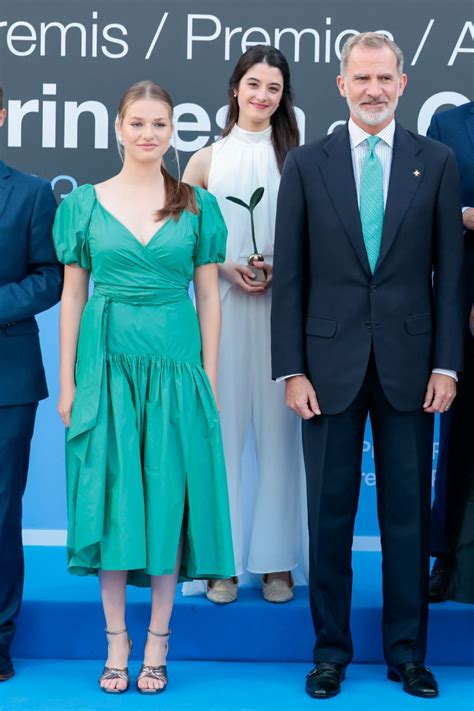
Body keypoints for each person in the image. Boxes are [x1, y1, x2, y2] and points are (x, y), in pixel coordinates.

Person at [271, 33, 465, 700]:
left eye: (386, 77)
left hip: (413, 368)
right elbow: (290, 276)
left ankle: (408, 653)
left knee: (407, 520)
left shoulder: (435, 161)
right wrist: (290, 369)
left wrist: (448, 364)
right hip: (324, 369)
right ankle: (329, 652)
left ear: (404, 84)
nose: (375, 88)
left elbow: (452, 273)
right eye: (363, 77)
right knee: (327, 516)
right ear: (341, 83)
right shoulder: (306, 163)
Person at [53, 80, 234, 694]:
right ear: (118, 128)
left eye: (160, 123)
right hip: (106, 368)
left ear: (172, 130)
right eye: (138, 122)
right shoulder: (82, 203)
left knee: (165, 502)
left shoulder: (196, 205)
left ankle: (158, 642)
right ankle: (116, 643)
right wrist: (70, 381)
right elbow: (72, 293)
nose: (149, 134)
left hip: (177, 369)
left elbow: (208, 295)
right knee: (113, 500)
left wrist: (209, 375)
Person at [183, 45, 304, 604]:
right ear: (235, 88)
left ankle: (277, 561)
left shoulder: (300, 157)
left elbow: (317, 237)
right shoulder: (205, 160)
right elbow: (183, 245)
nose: (262, 96)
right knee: (222, 437)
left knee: (282, 440)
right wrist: (223, 270)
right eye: (253, 84)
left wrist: (284, 267)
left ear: (283, 99)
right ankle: (220, 562)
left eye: (273, 89)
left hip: (286, 314)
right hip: (222, 314)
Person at [0, 85, 63, 681]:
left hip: (7, 381)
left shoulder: (33, 193)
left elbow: (51, 279)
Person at [427, 101, 474, 604]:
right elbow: (438, 208)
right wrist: (464, 215)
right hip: (462, 299)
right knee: (459, 432)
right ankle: (449, 559)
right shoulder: (449, 123)